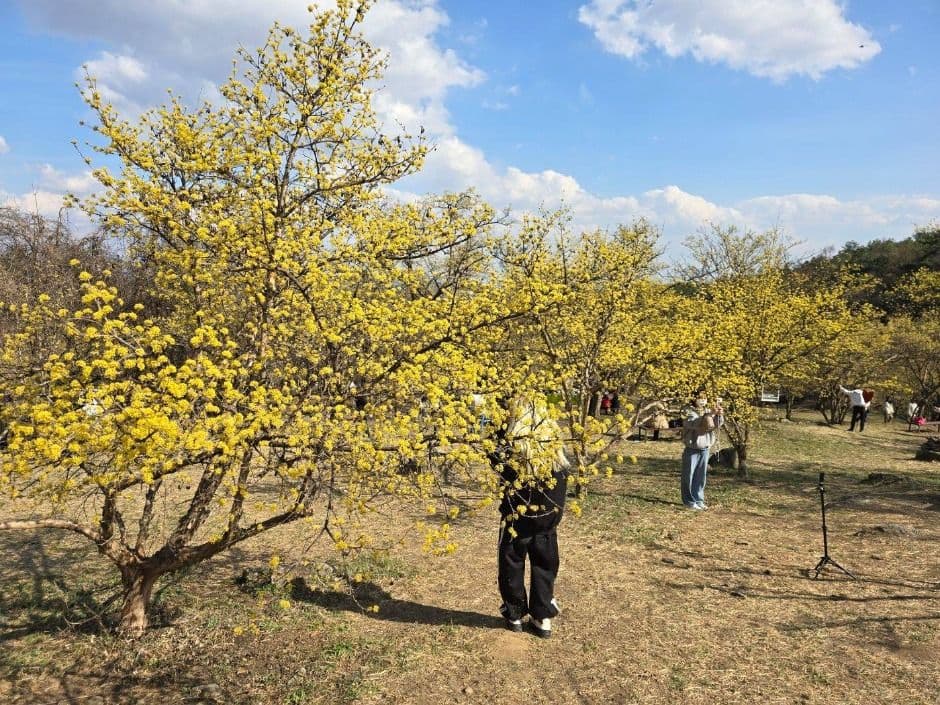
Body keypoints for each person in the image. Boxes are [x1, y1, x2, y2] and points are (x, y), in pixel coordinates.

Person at [488, 395, 569, 638]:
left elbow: (493, 459)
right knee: (545, 565)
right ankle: (542, 616)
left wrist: (497, 432)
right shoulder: (555, 448)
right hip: (546, 521)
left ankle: (514, 614)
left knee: (511, 564)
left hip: (516, 521)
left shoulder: (509, 448)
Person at [680, 389, 723, 510]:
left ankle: (698, 499)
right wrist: (708, 416)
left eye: (705, 398)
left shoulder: (708, 409)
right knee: (689, 475)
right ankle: (689, 501)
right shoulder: (687, 410)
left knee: (700, 476)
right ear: (694, 398)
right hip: (692, 447)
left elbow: (716, 425)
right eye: (700, 397)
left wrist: (718, 415)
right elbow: (694, 424)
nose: (703, 400)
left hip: (705, 448)